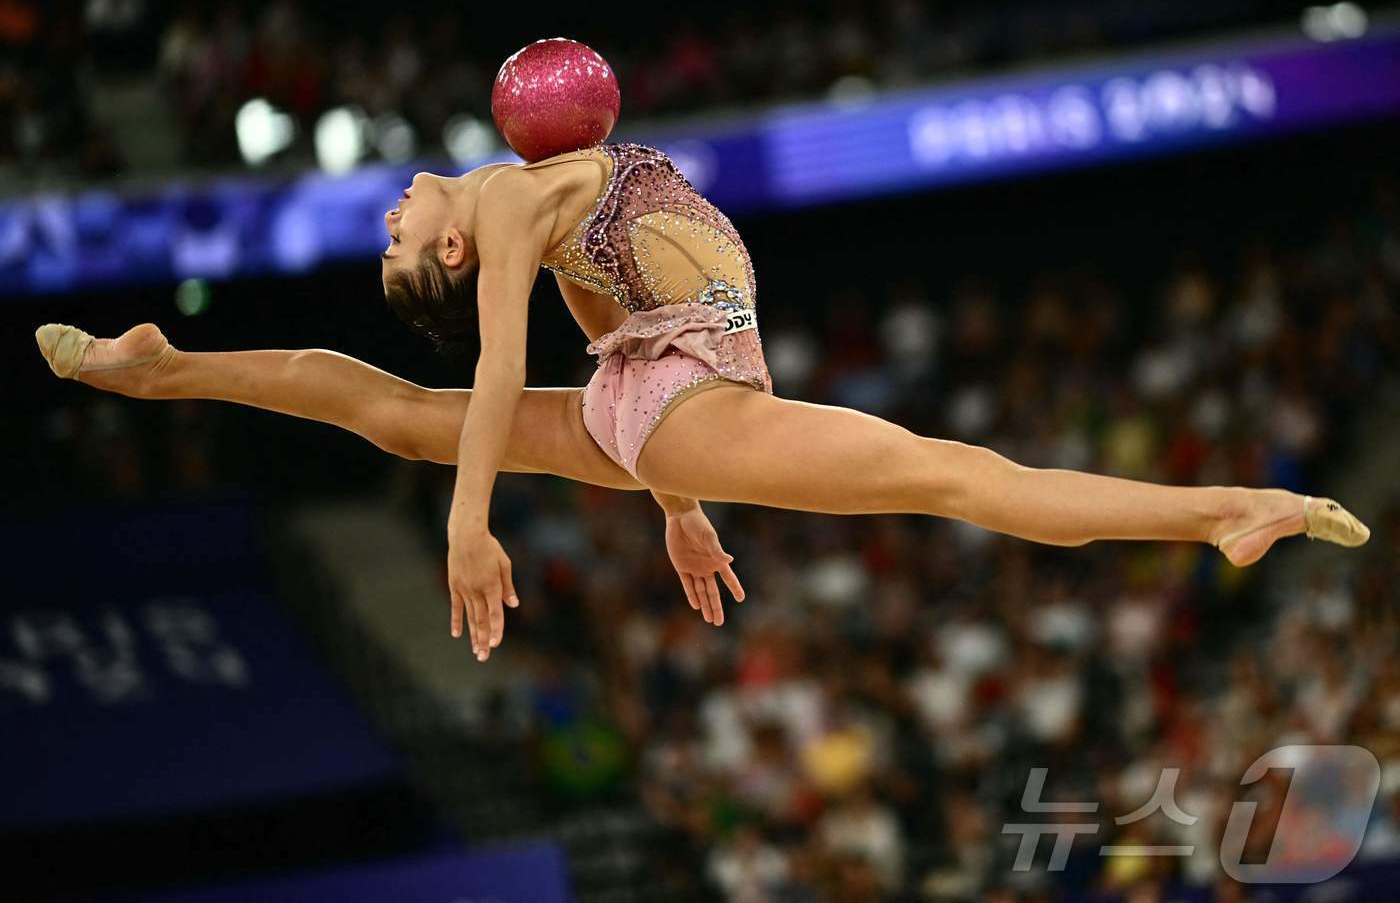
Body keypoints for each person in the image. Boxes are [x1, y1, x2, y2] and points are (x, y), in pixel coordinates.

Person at [35, 142, 1371, 665]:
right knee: (954, 475)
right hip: (680, 394)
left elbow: (587, 340)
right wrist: (470, 521)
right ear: (453, 253)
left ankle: (158, 365)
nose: (388, 219)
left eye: (384, 236)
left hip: (653, 399)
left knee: (387, 412)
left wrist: (672, 505)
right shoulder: (505, 205)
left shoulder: (547, 213)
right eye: (397, 242)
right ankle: (1227, 511)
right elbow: (496, 371)